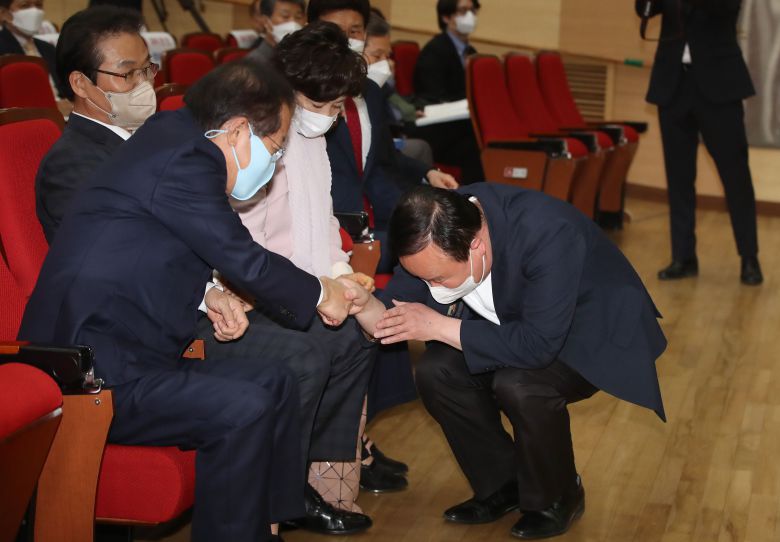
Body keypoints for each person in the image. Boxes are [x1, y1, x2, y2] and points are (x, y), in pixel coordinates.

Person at [18, 58, 363, 542]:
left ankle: (266, 527)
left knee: (276, 381)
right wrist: (322, 293)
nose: (276, 162)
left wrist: (210, 296)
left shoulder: (177, 136)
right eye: (275, 147)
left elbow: (163, 247)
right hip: (91, 370)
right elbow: (242, 256)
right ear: (238, 130)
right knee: (245, 405)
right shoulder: (187, 160)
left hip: (134, 349)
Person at [349, 184, 668, 539]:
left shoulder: (548, 232)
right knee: (436, 371)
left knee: (520, 384)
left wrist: (438, 325)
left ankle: (558, 496)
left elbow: (538, 345)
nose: (433, 288)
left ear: (476, 246)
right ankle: (503, 485)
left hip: (586, 332)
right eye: (424, 278)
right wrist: (364, 305)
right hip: (510, 324)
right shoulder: (431, 232)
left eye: (438, 279)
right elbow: (393, 311)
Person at [307, 0, 458, 273]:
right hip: (332, 228)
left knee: (448, 233)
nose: (346, 40)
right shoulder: (304, 98)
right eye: (335, 30)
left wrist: (428, 173)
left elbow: (385, 157)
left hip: (380, 217)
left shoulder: (371, 92)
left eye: (354, 31)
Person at [637, 0, 762, 285]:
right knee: (678, 177)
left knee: (735, 175)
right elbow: (644, 9)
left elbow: (724, 8)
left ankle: (749, 256)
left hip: (720, 85)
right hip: (673, 84)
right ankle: (683, 257)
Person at [35, 6, 156, 243]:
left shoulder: (153, 138)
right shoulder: (69, 166)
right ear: (80, 84)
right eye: (128, 73)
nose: (145, 84)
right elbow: (119, 251)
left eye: (147, 69)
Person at [408, 0, 484, 183]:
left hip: (461, 126)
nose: (470, 16)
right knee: (475, 146)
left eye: (472, 10)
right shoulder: (434, 52)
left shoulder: (471, 52)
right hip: (439, 130)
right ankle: (470, 196)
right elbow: (431, 97)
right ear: (446, 17)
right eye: (463, 11)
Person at [0, 0, 67, 97]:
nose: (34, 11)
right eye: (24, 5)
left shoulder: (48, 48)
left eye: (38, 5)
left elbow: (63, 86)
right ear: (4, 13)